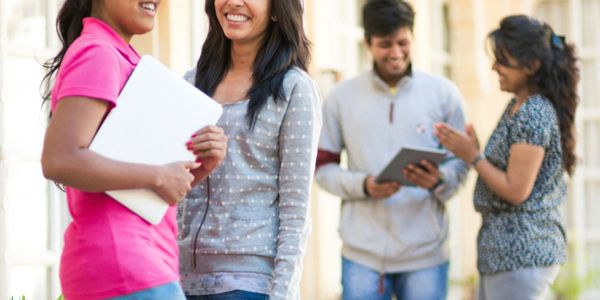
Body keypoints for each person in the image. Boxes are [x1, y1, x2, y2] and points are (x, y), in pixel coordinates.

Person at [40, 0, 227, 299]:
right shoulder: (97, 53)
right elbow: (59, 159)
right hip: (124, 266)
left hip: (142, 263)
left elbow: (138, 187)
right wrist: (158, 176)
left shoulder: (121, 57)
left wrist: (197, 168)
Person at [314, 0, 469, 299]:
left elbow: (461, 163)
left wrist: (439, 180)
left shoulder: (444, 94)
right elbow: (322, 170)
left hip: (426, 254)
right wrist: (364, 186)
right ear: (367, 43)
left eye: (403, 43)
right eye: (385, 44)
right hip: (362, 255)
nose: (396, 54)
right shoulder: (340, 98)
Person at [177, 0, 322, 299]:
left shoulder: (293, 89)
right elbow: (169, 180)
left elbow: (295, 208)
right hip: (180, 280)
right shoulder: (190, 85)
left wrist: (282, 293)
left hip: (250, 285)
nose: (233, 2)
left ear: (277, 9)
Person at [434, 15, 579, 300]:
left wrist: (473, 156)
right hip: (505, 254)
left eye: (503, 59)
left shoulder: (533, 112)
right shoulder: (518, 104)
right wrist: (477, 152)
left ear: (531, 64)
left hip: (522, 253)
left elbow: (516, 190)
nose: (494, 67)